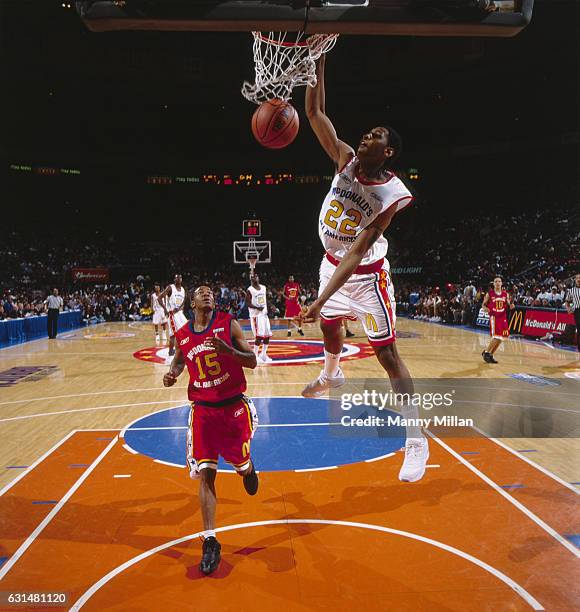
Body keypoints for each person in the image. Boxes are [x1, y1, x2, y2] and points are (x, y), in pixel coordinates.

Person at [300, 53, 428, 483]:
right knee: (330, 327)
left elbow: (357, 252)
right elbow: (315, 112)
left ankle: (416, 439)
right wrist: (317, 60)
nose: (365, 136)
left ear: (387, 151)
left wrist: (318, 298)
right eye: (366, 133)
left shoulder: (391, 193)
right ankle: (331, 375)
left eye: (375, 136)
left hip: (366, 276)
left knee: (387, 355)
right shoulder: (345, 160)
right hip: (329, 263)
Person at [163, 286, 259, 575]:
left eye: (210, 292)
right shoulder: (183, 334)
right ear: (192, 302)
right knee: (206, 473)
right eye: (201, 292)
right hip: (203, 411)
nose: (207, 295)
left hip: (233, 410)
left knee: (240, 467)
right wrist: (172, 373)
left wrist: (228, 350)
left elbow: (252, 361)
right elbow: (180, 360)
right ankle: (210, 540)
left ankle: (248, 467)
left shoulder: (227, 323)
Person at [481, 276, 514, 363]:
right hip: (494, 317)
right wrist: (487, 309)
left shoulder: (505, 294)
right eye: (496, 281)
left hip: (503, 316)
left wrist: (511, 306)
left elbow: (509, 305)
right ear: (493, 283)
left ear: (501, 283)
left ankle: (490, 354)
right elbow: (483, 305)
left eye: (499, 281)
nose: (498, 283)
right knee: (496, 336)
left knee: (501, 338)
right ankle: (486, 353)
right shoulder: (489, 294)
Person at [246, 274, 272, 364]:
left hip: (264, 315)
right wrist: (257, 307)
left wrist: (270, 306)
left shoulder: (264, 288)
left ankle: (263, 355)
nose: (255, 278)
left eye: (256, 276)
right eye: (252, 277)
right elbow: (247, 303)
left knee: (267, 336)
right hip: (256, 316)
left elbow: (265, 299)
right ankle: (255, 356)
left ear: (258, 278)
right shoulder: (250, 290)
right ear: (250, 279)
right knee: (259, 337)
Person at [158, 274, 187, 357]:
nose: (178, 279)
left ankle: (182, 348)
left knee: (185, 330)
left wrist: (180, 308)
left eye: (180, 277)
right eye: (177, 277)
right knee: (173, 334)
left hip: (180, 313)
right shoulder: (170, 287)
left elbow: (183, 302)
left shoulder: (183, 290)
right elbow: (159, 298)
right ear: (174, 279)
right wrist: (165, 309)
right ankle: (171, 351)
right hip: (172, 314)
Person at [564, 274, 580, 353]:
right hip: (577, 310)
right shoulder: (571, 290)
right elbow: (567, 301)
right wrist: (568, 308)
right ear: (575, 280)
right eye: (577, 278)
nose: (579, 279)